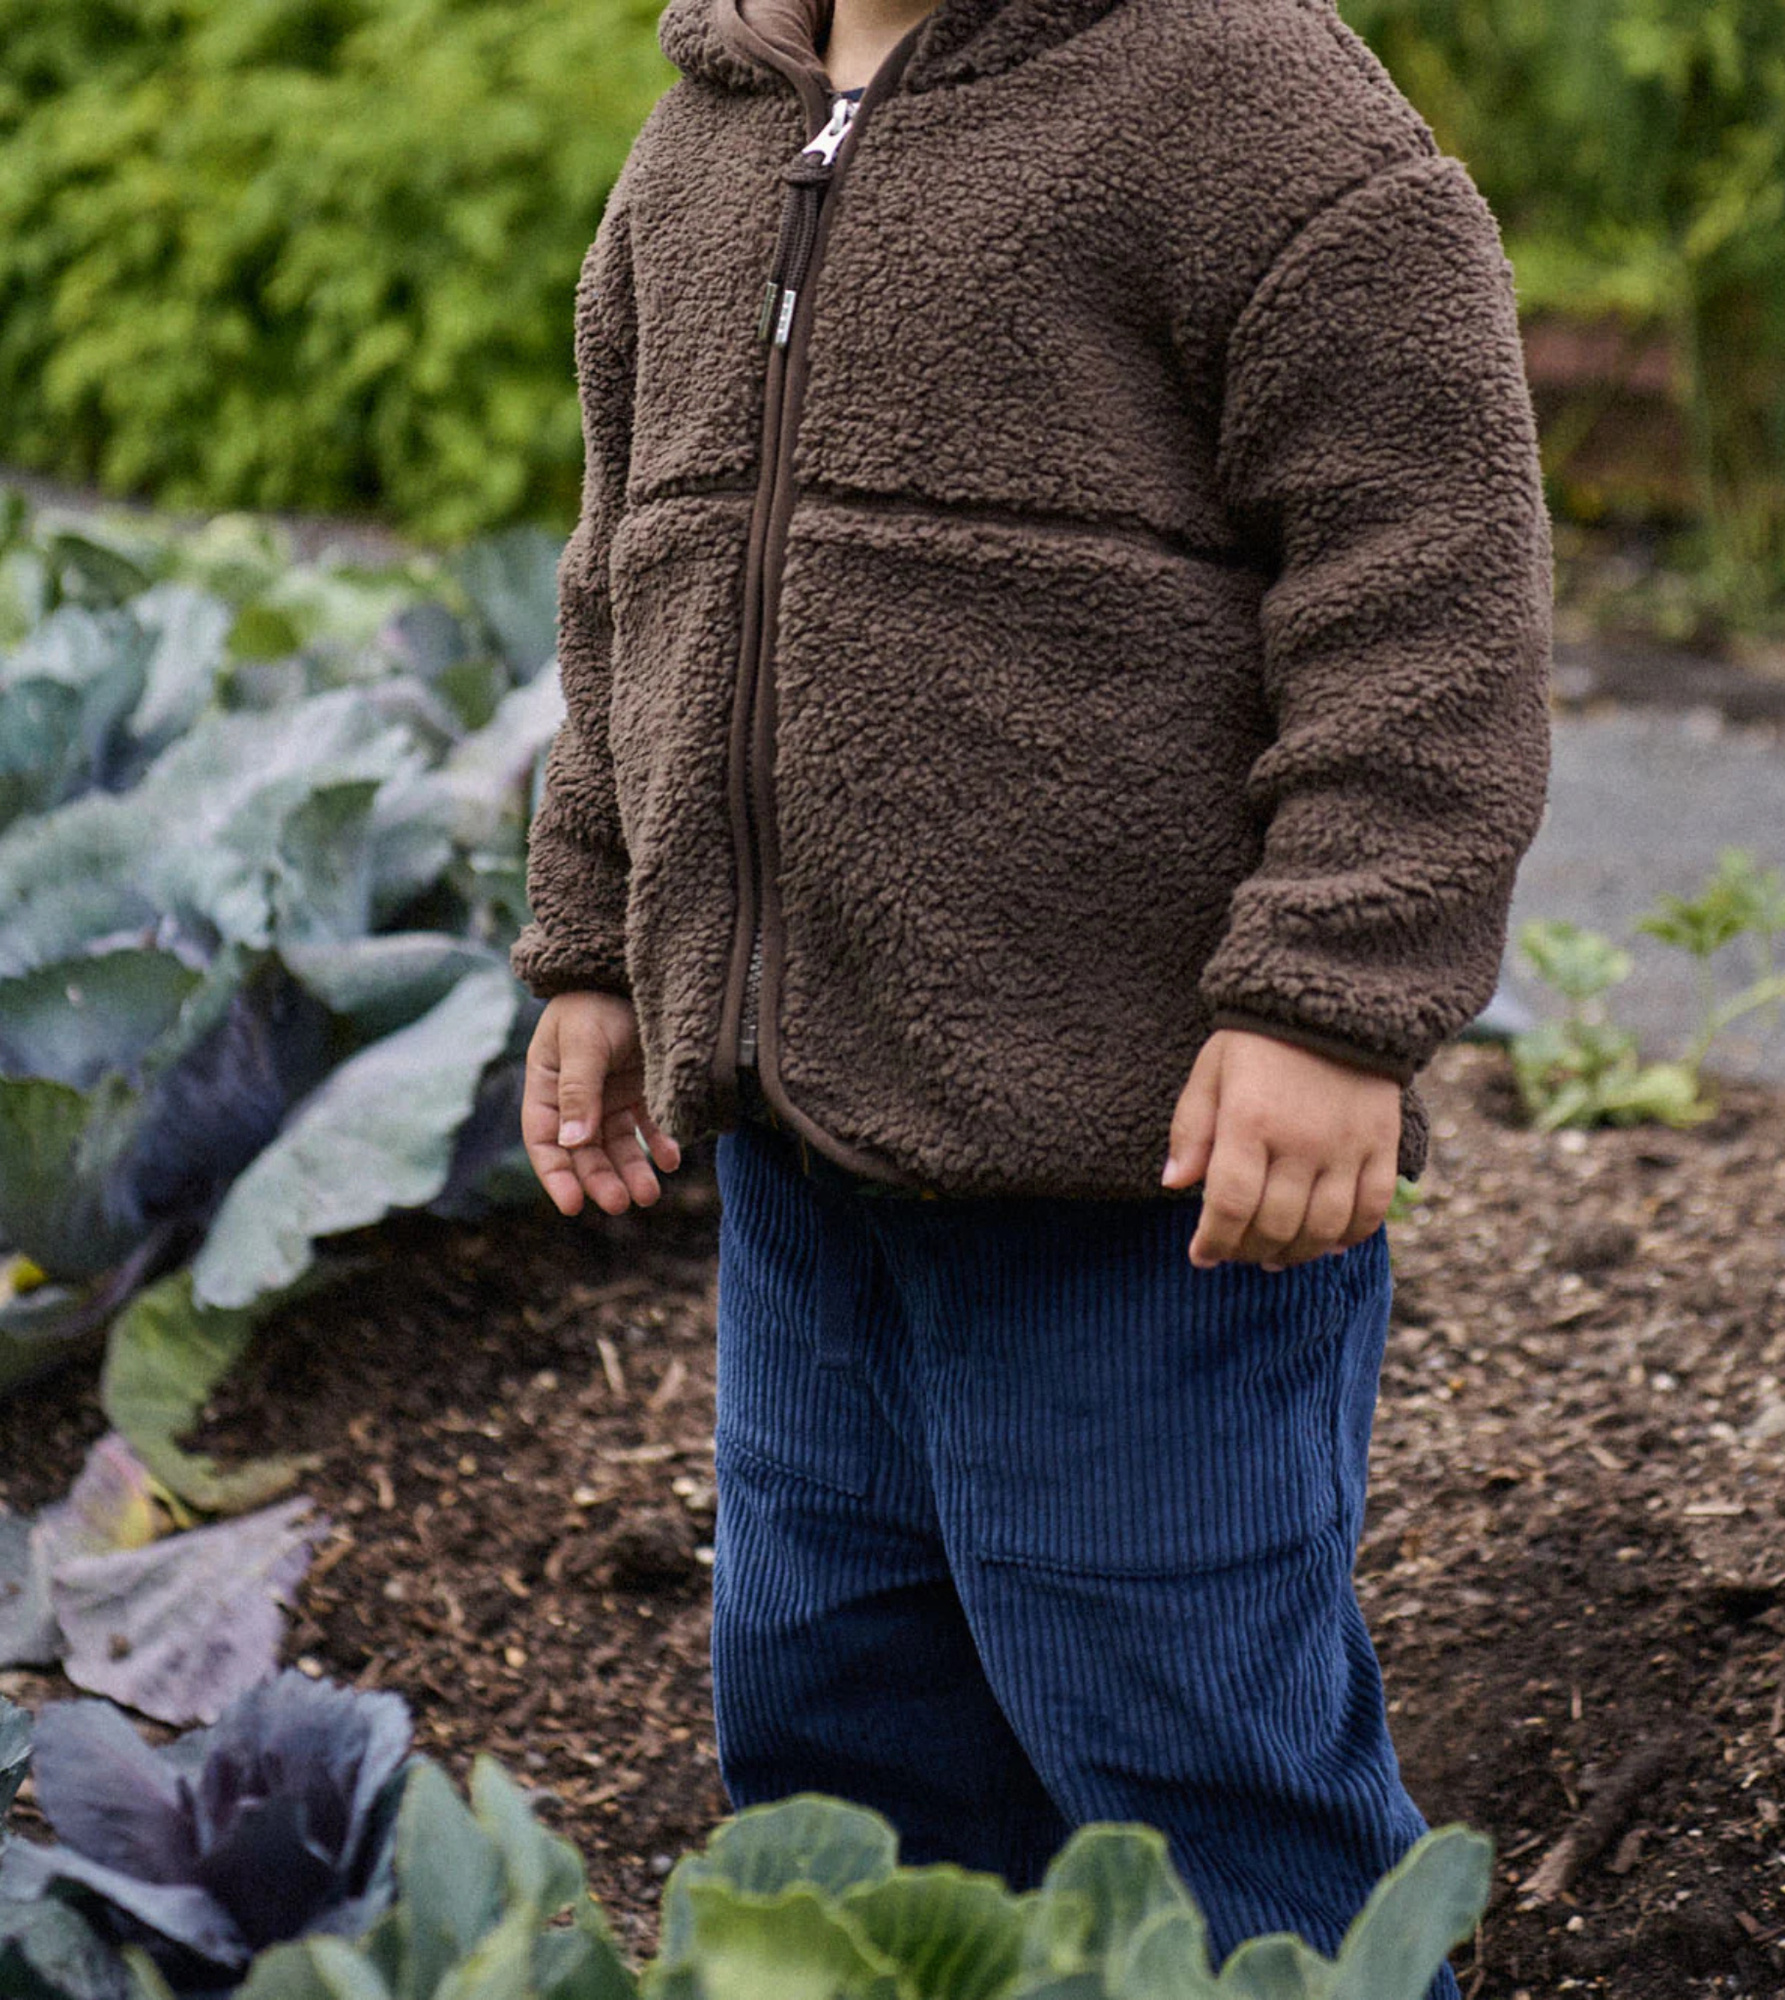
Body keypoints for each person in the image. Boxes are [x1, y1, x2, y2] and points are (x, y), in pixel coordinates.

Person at [514, 0, 1552, 1984]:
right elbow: (624, 592)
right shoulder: (700, 142)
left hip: (1141, 1177)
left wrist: (1330, 997)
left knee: (1180, 1728)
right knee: (833, 1699)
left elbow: (1428, 591)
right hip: (809, 1167)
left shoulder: (1248, 109)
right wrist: (594, 934)